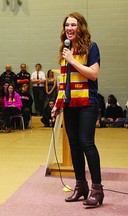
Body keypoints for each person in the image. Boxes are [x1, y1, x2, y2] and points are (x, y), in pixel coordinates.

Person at [52, 12, 103, 207]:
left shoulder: (91, 47)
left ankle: (97, 189)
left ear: (81, 27)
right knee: (74, 145)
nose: (69, 28)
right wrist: (57, 104)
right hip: (69, 104)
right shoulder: (64, 50)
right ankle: (81, 186)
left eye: (73, 25)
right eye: (67, 25)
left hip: (87, 103)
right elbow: (64, 81)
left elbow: (93, 74)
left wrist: (73, 60)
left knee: (86, 143)